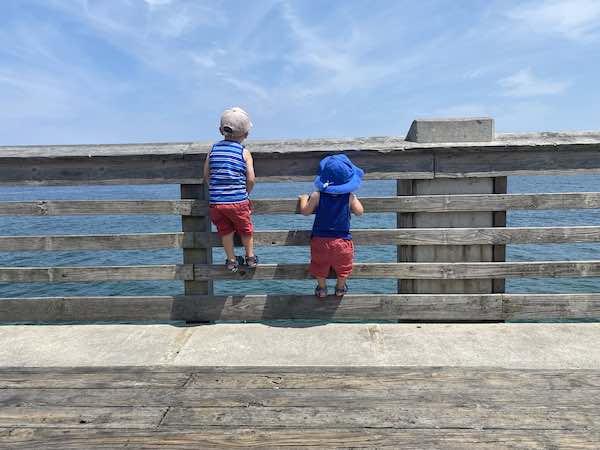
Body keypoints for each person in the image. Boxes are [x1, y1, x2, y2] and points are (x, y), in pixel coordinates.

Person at [298, 154, 364, 298]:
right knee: (344, 266)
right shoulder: (349, 196)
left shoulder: (317, 195)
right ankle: (340, 288)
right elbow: (360, 212)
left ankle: (322, 289)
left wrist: (303, 199)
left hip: (320, 240)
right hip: (342, 240)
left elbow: (305, 212)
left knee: (319, 265)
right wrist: (354, 199)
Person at [203, 107, 257, 273]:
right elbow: (251, 179)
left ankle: (231, 261)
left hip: (217, 203)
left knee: (225, 231)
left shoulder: (213, 149)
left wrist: (216, 189)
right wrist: (245, 193)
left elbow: (206, 175)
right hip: (238, 202)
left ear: (221, 130)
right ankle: (250, 257)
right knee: (246, 229)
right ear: (246, 134)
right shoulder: (244, 152)